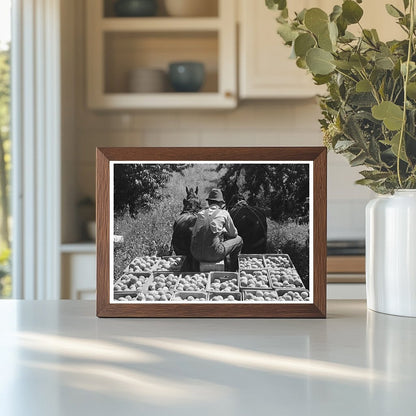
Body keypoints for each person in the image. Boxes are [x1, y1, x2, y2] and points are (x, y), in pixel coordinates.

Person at [190, 188, 243, 272]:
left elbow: (194, 234)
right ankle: (233, 269)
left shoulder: (200, 213)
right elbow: (234, 234)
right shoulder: (224, 213)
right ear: (221, 203)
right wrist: (223, 231)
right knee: (239, 240)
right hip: (214, 254)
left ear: (209, 202)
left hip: (196, 253)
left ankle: (193, 268)